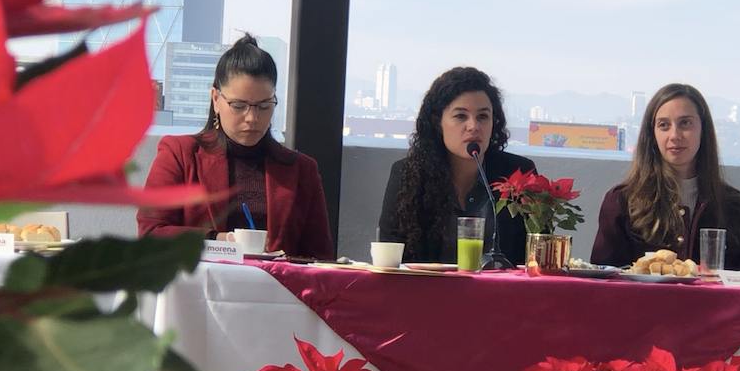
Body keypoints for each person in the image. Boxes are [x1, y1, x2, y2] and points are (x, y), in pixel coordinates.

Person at [137, 34, 335, 260]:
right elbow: (151, 232)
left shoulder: (301, 170)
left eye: (264, 106)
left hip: (277, 283)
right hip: (200, 280)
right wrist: (219, 241)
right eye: (239, 106)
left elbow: (321, 258)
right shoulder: (180, 154)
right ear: (216, 99)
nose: (252, 118)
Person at [590, 83, 740, 272]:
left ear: (703, 130)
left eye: (685, 123)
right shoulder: (622, 201)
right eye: (664, 125)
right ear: (652, 134)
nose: (674, 135)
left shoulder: (734, 206)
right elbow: (603, 280)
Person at [379, 67, 534, 263]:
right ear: (438, 122)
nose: (473, 126)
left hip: (499, 283)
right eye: (461, 116)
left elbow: (535, 253)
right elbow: (391, 253)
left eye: (483, 117)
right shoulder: (408, 174)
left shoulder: (517, 173)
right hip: (427, 283)